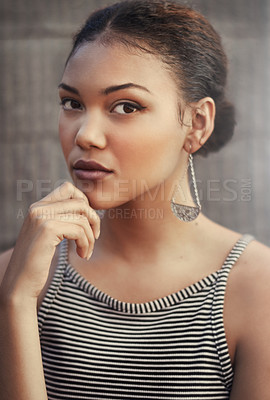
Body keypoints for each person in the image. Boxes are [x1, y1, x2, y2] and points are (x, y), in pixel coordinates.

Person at [0, 0, 270, 399]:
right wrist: (16, 303)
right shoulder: (15, 278)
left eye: (126, 106)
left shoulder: (257, 289)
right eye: (72, 103)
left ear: (197, 124)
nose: (86, 136)